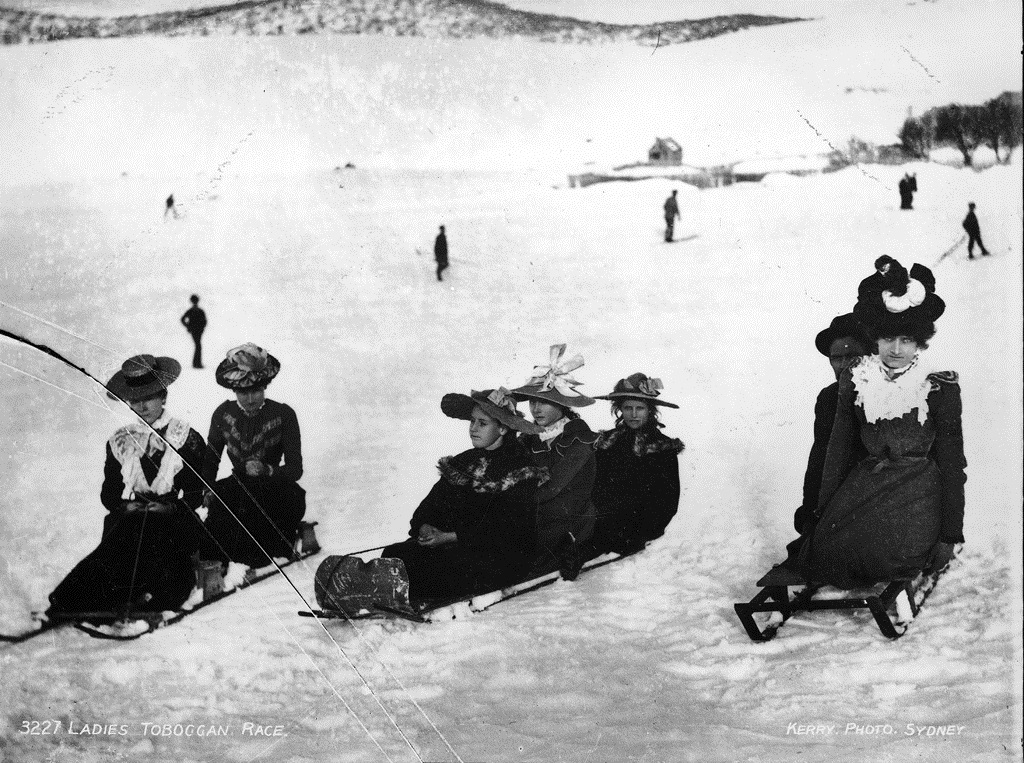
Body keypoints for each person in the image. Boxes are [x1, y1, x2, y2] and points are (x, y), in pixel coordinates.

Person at [795, 258, 966, 588]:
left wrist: (950, 533)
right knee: (827, 553)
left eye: (906, 339)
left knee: (886, 553)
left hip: (918, 492)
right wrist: (820, 515)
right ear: (876, 341)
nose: (897, 349)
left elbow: (952, 463)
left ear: (919, 342)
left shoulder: (938, 387)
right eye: (888, 339)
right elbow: (834, 454)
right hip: (866, 486)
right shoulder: (857, 382)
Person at [47, 355, 207, 621]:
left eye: (149, 397)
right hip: (135, 517)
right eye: (135, 400)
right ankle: (79, 602)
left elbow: (194, 492)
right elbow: (109, 492)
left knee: (157, 543)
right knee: (119, 540)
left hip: (174, 519)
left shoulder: (185, 436)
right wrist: (125, 505)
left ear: (163, 397)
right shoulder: (120, 440)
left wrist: (168, 506)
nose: (142, 406)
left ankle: (150, 599)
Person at [380, 389, 546, 601]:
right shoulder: (463, 461)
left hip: (498, 555)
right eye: (472, 421)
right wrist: (425, 525)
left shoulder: (519, 467)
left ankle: (394, 593)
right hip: (455, 546)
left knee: (434, 567)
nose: (473, 429)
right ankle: (381, 589)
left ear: (503, 428)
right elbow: (431, 504)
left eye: (482, 423)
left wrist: (450, 537)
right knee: (395, 554)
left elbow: (506, 529)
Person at [201, 343, 305, 568]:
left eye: (256, 391)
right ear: (234, 391)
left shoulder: (284, 414)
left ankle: (259, 556)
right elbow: (211, 458)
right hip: (239, 486)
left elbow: (295, 469)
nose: (250, 399)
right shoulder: (222, 414)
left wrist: (267, 470)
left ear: (265, 387)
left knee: (273, 513)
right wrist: (207, 487)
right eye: (243, 392)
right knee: (221, 509)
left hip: (273, 487)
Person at [510, 344, 598, 579]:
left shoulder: (579, 439)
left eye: (544, 401)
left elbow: (553, 486)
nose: (536, 409)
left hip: (570, 517)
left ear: (562, 403)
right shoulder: (530, 437)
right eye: (532, 402)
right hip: (539, 512)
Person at [589, 373, 685, 556]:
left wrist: (640, 535)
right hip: (602, 525)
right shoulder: (607, 442)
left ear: (650, 411)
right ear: (620, 410)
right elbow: (596, 488)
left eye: (639, 408)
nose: (633, 415)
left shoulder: (662, 448)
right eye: (627, 408)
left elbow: (667, 502)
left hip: (640, 531)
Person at [791, 313, 869, 536]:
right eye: (836, 358)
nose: (844, 365)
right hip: (837, 508)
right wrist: (809, 512)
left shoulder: (891, 396)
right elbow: (820, 456)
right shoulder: (829, 397)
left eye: (853, 355)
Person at [180, 294, 207, 369]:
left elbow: (204, 321)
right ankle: (197, 364)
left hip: (196, 331)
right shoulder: (198, 310)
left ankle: (196, 363)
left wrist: (189, 327)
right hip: (197, 331)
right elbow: (204, 321)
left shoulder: (192, 310)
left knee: (198, 346)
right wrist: (189, 327)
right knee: (198, 346)